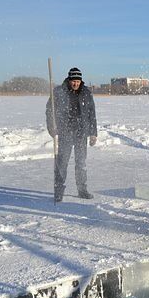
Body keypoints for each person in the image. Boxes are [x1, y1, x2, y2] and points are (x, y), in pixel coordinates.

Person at [46, 67, 98, 202]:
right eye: (73, 81)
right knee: (62, 163)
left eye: (78, 81)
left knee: (81, 162)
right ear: (69, 80)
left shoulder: (86, 93)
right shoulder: (59, 92)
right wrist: (52, 127)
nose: (75, 84)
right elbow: (49, 111)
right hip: (65, 132)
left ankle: (82, 190)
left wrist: (93, 133)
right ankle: (58, 191)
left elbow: (92, 113)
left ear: (81, 81)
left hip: (81, 133)